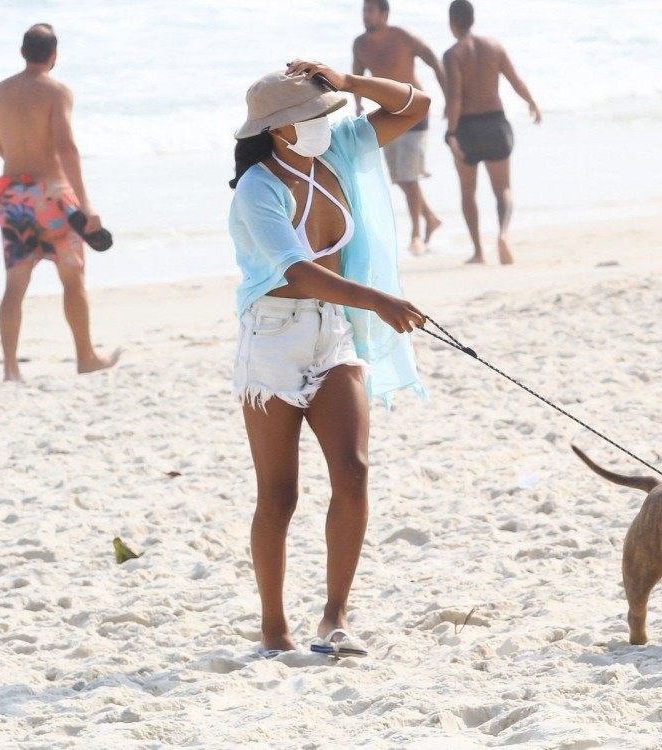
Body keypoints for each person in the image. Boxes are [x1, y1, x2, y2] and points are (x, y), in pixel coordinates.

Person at [229, 59, 429, 658]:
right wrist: (379, 299)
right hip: (273, 341)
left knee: (354, 470)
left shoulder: (338, 150)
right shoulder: (257, 189)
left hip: (333, 333)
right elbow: (295, 270)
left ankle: (335, 618)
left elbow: (415, 107)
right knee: (280, 494)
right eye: (310, 116)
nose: (324, 123)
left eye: (323, 112)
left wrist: (348, 81)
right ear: (278, 129)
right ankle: (273, 627)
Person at [0, 23, 119, 381]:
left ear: (22, 52)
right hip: (53, 196)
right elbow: (66, 147)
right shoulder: (57, 91)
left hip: (13, 195)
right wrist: (86, 205)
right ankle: (86, 357)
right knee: (72, 280)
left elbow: (1, 147)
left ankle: (11, 370)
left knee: (15, 284)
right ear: (54, 56)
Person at [442, 0, 541, 265]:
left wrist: (451, 134)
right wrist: (532, 102)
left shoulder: (453, 54)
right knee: (503, 189)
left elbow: (455, 98)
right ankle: (504, 235)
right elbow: (515, 80)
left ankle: (478, 251)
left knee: (468, 192)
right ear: (472, 19)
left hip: (466, 128)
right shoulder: (494, 47)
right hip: (496, 125)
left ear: (452, 22)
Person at [353, 0, 446, 256]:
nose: (366, 16)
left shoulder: (402, 36)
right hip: (386, 115)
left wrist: (448, 97)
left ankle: (416, 233)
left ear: (384, 14)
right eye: (364, 11)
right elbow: (357, 75)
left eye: (370, 11)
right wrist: (358, 105)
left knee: (408, 176)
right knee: (400, 178)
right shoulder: (360, 44)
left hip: (414, 111)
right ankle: (430, 218)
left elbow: (434, 61)